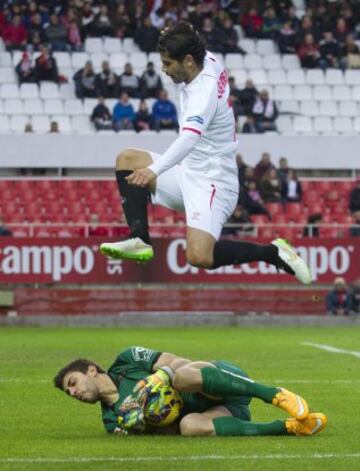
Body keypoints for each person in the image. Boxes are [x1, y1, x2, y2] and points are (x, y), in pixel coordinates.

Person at [99, 22, 311, 286]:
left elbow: (188, 139)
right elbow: (195, 39)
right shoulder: (206, 59)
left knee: (199, 256)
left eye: (167, 63)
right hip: (187, 173)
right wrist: (176, 30)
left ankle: (273, 253)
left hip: (213, 182)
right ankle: (140, 240)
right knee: (127, 159)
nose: (164, 69)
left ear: (188, 61)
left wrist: (153, 171)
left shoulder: (203, 93)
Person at [54, 345, 327, 437]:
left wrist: (159, 378)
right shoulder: (112, 419)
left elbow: (180, 361)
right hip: (221, 412)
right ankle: (289, 428)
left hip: (218, 380)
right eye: (69, 393)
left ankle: (272, 393)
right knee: (188, 427)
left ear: (90, 369)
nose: (73, 392)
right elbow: (169, 431)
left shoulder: (127, 361)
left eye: (73, 383)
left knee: (180, 375)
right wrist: (144, 423)